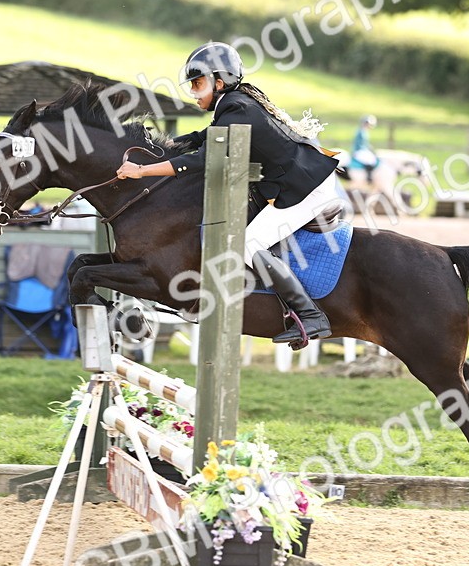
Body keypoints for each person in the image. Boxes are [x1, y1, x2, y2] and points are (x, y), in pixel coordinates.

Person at [115, 41, 340, 346]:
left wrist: (142, 172)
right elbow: (201, 139)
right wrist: (158, 149)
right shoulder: (233, 104)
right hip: (293, 182)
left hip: (307, 188)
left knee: (249, 243)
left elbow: (205, 158)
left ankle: (310, 314)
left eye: (198, 84)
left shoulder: (237, 107)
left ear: (218, 83)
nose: (194, 92)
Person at [351, 114, 380, 184]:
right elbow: (361, 144)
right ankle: (368, 176)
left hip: (362, 150)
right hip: (359, 151)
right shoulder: (361, 132)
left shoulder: (364, 131)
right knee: (371, 160)